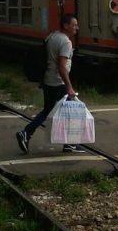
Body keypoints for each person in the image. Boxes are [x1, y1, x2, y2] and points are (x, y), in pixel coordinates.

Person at [16, 14, 87, 155]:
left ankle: (27, 133)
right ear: (66, 26)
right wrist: (69, 87)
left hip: (48, 81)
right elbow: (62, 67)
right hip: (58, 83)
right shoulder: (66, 42)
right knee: (69, 113)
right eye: (74, 25)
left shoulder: (52, 36)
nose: (77, 28)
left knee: (47, 111)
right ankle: (69, 144)